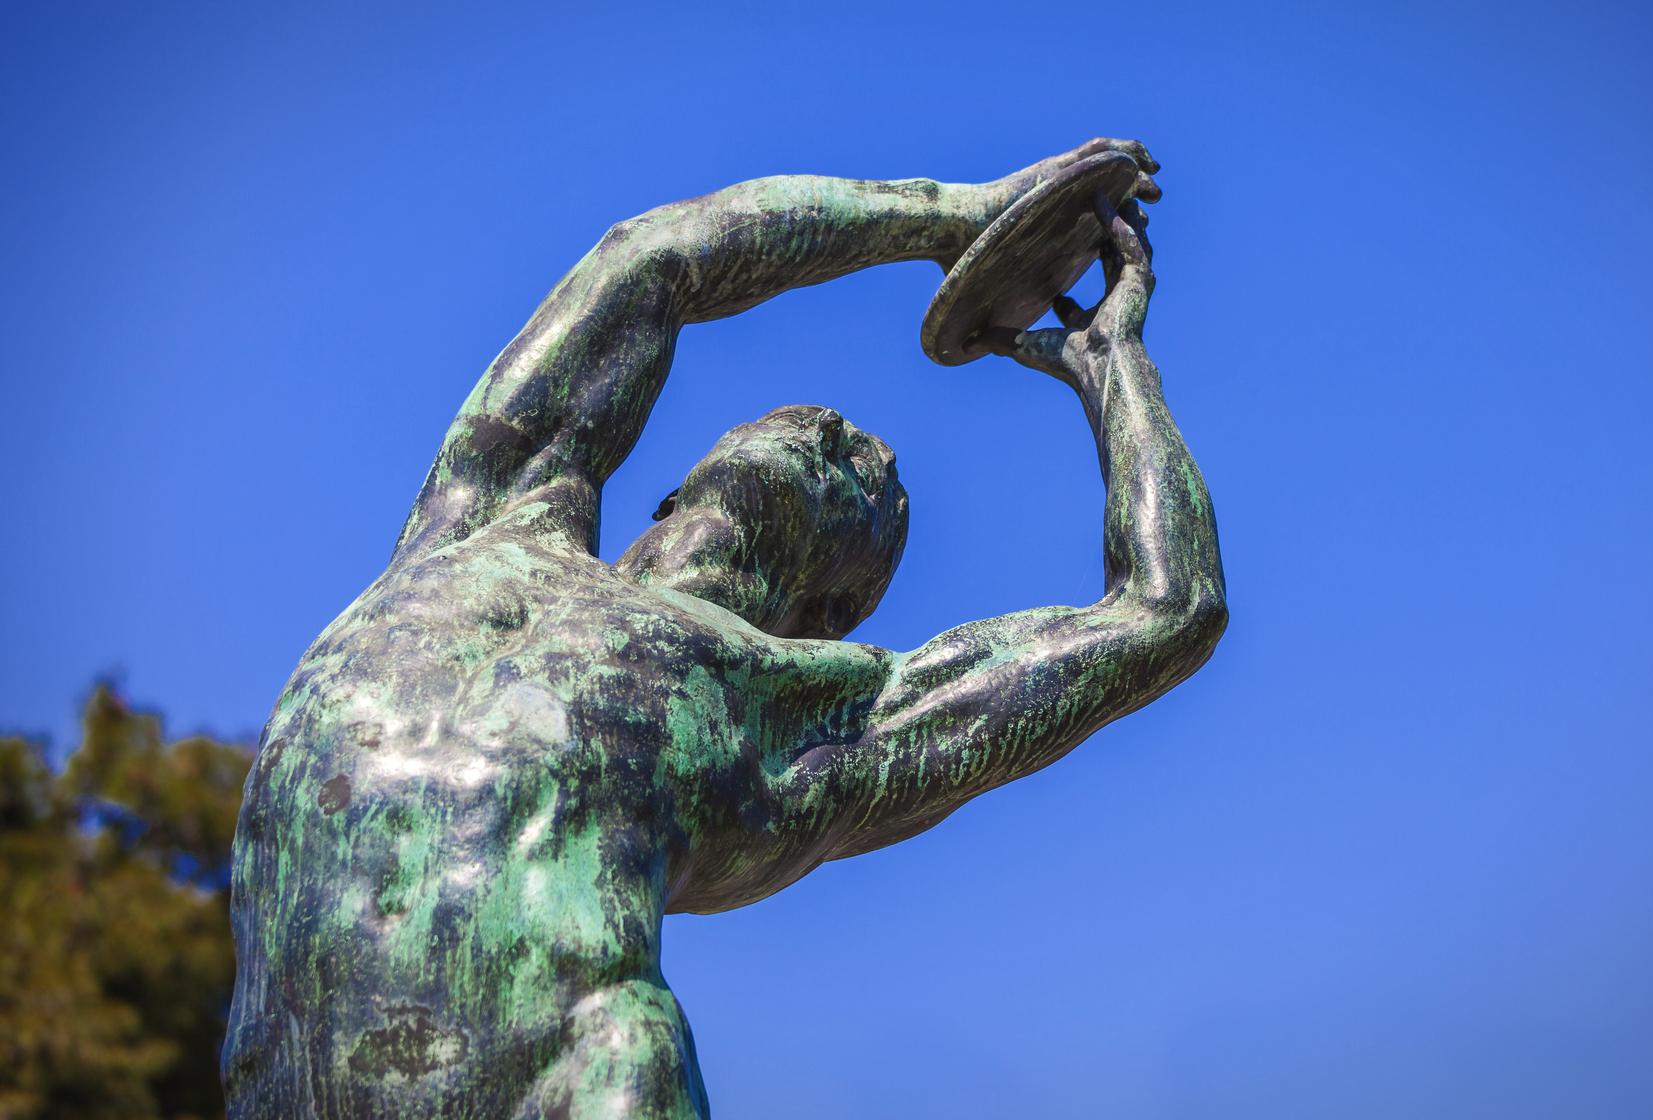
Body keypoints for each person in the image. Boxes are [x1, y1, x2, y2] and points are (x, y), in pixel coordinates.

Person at [224, 139, 1225, 1119]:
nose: (860, 441)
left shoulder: (782, 722)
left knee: (632, 1042)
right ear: (677, 490)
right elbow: (650, 260)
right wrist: (947, 214)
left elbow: (1167, 610)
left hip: (585, 1093)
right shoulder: (490, 513)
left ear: (820, 618)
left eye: (865, 489)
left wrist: (1111, 364)